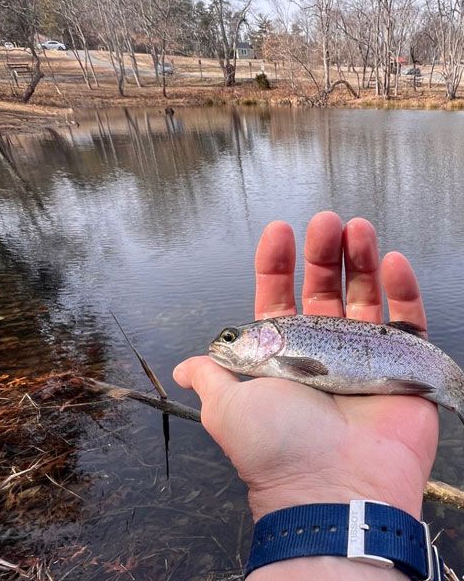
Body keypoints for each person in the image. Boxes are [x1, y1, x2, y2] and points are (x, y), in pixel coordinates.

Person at [173, 211, 440, 580]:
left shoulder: (282, 345)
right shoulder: (279, 351)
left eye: (232, 338)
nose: (222, 345)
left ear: (266, 336)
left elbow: (311, 369)